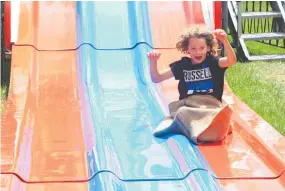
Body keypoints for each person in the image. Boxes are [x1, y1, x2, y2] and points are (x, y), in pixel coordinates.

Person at [147, 26, 236, 144]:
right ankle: (205, 130)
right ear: (187, 50)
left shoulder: (213, 62)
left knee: (212, 111)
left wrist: (225, 41)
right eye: (193, 48)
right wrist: (153, 62)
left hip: (209, 104)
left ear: (208, 47)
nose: (198, 52)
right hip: (189, 105)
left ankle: (214, 126)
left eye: (202, 48)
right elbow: (157, 78)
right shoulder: (182, 66)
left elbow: (231, 61)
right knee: (183, 112)